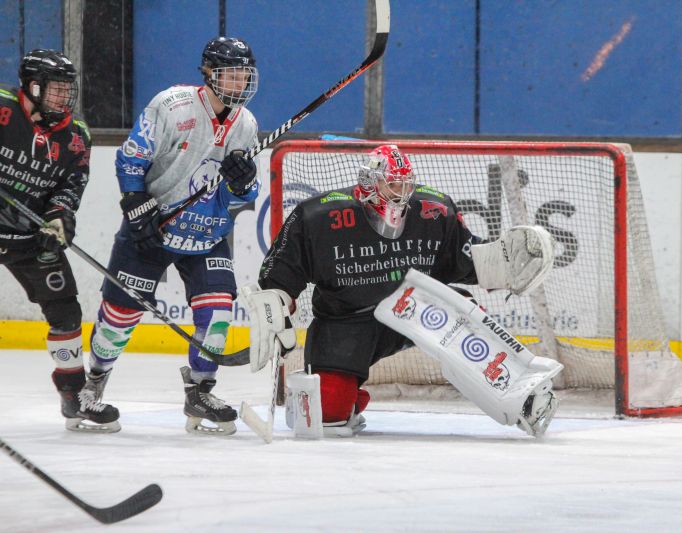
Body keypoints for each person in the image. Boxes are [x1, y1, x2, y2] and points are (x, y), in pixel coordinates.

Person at [254, 145, 558, 436]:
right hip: (346, 322)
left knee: (464, 316)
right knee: (327, 417)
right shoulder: (318, 217)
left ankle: (524, 398)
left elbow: (466, 259)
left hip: (416, 308)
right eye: (392, 185)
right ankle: (347, 401)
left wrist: (501, 266)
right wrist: (276, 306)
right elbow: (281, 273)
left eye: (404, 185)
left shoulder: (433, 210)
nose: (400, 193)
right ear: (368, 182)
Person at [79, 37, 261, 435]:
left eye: (245, 73)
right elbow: (131, 157)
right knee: (118, 321)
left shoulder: (246, 124)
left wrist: (242, 183)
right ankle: (92, 385)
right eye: (231, 73)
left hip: (207, 234)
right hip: (153, 228)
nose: (240, 81)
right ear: (209, 73)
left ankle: (200, 390)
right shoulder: (172, 105)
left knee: (217, 314)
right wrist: (136, 204)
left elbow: (244, 195)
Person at [0, 49, 92, 430]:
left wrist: (60, 217)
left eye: (67, 90)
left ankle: (73, 392)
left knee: (66, 311)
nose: (64, 98)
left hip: (30, 237)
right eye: (56, 90)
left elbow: (70, 187)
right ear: (33, 86)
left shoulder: (75, 137)